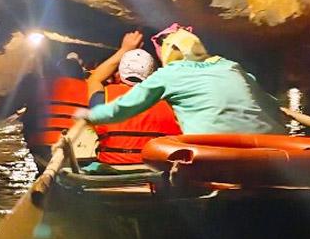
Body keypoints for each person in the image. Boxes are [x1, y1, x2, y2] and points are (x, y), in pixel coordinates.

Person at [76, 25, 284, 135]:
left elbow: (121, 107)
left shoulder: (169, 77)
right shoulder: (231, 66)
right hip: (268, 147)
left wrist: (90, 116)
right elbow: (270, 105)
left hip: (213, 152)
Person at [83, 31, 181, 169]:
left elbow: (95, 79)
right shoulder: (171, 102)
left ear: (120, 72)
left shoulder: (104, 99)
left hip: (112, 171)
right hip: (154, 173)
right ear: (152, 74)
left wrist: (124, 50)